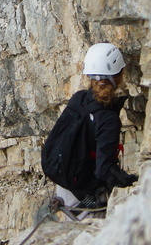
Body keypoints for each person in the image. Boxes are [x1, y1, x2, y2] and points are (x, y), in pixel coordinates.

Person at [58, 42, 138, 209]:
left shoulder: (79, 99)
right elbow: (104, 169)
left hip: (65, 182)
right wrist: (132, 182)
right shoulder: (108, 120)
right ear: (121, 74)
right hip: (85, 194)